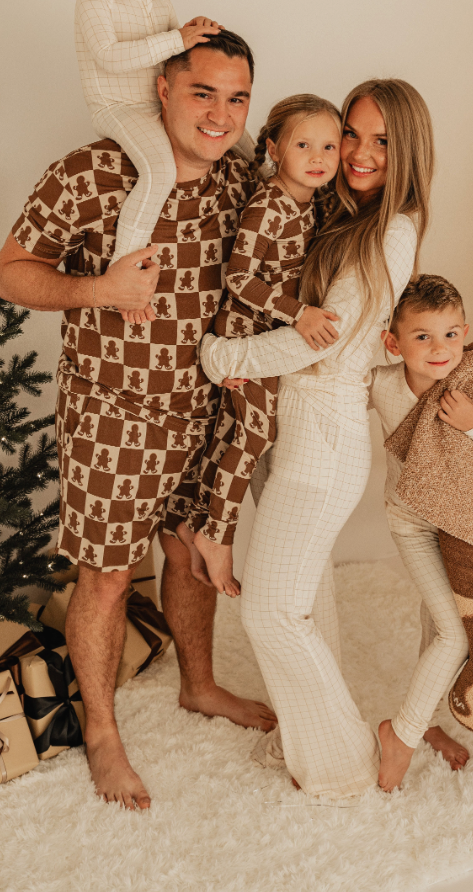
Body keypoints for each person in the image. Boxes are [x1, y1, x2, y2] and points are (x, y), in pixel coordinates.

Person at [0, 29, 276, 813]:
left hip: (205, 410)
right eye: (202, 92)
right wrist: (99, 291)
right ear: (161, 88)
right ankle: (104, 733)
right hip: (112, 414)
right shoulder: (92, 171)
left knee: (191, 555)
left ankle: (200, 684)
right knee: (109, 576)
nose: (219, 114)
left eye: (236, 97)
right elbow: (11, 271)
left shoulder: (240, 182)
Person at [200, 78, 434, 801]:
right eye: (351, 135)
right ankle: (307, 740)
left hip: (323, 436)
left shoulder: (392, 230)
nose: (358, 154)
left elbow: (323, 345)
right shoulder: (336, 211)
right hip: (290, 429)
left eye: (380, 141)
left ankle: (340, 766)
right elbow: (259, 146)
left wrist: (223, 358)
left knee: (272, 608)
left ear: (408, 152)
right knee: (310, 597)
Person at [180, 94, 344, 597]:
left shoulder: (314, 201)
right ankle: (216, 535)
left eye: (329, 147)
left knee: (234, 430)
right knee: (253, 435)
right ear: (275, 148)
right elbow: (238, 277)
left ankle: (194, 521)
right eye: (303, 145)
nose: (318, 158)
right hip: (244, 335)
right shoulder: (268, 206)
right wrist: (299, 314)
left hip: (270, 338)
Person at [369, 275, 473, 792]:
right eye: (423, 337)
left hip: (465, 522)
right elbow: (322, 392)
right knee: (454, 636)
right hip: (412, 522)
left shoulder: (471, 384)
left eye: (451, 335)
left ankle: (423, 720)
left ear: (466, 332)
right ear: (394, 343)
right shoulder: (381, 384)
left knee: (442, 626)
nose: (440, 349)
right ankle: (401, 735)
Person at [76, 0, 253, 273]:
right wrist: (176, 37)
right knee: (160, 172)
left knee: (236, 129)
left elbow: (181, 58)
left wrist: (199, 31)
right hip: (119, 107)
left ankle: (270, 174)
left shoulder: (163, 3)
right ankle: (125, 269)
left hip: (160, 100)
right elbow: (108, 57)